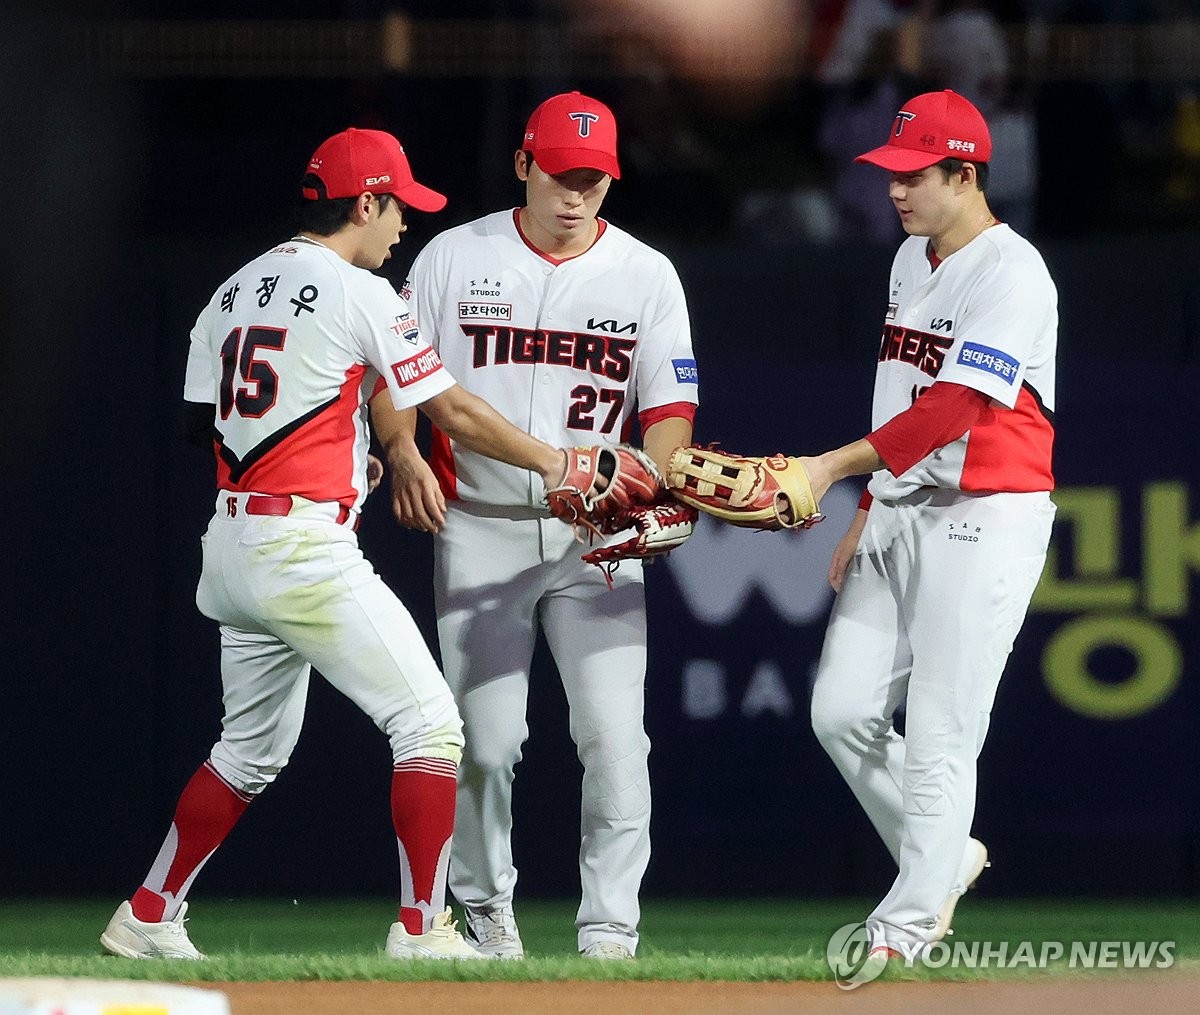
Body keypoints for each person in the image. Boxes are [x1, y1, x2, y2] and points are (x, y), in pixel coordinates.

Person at [100, 127, 576, 961]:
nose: (404, 225)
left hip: (233, 541)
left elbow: (194, 424)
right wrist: (554, 461)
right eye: (399, 207)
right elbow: (452, 412)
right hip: (302, 544)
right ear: (364, 202)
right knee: (431, 725)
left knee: (247, 751)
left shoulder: (230, 290)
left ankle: (147, 911)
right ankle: (423, 928)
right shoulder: (365, 292)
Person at [371, 91, 699, 960]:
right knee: (485, 743)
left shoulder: (647, 273)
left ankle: (610, 932)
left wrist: (656, 479)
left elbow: (667, 410)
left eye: (594, 181)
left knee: (615, 740)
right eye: (561, 176)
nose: (576, 196)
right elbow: (392, 374)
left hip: (595, 535)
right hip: (483, 522)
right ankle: (485, 915)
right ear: (524, 165)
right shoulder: (452, 256)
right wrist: (401, 449)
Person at [801, 90, 1058, 956]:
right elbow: (898, 393)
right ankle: (946, 855)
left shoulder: (1013, 273)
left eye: (916, 175)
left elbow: (951, 408)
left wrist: (833, 469)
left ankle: (905, 926)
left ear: (967, 173)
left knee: (945, 729)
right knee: (839, 711)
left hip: (987, 512)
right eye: (892, 173)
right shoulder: (911, 258)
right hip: (903, 508)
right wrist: (865, 507)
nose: (897, 191)